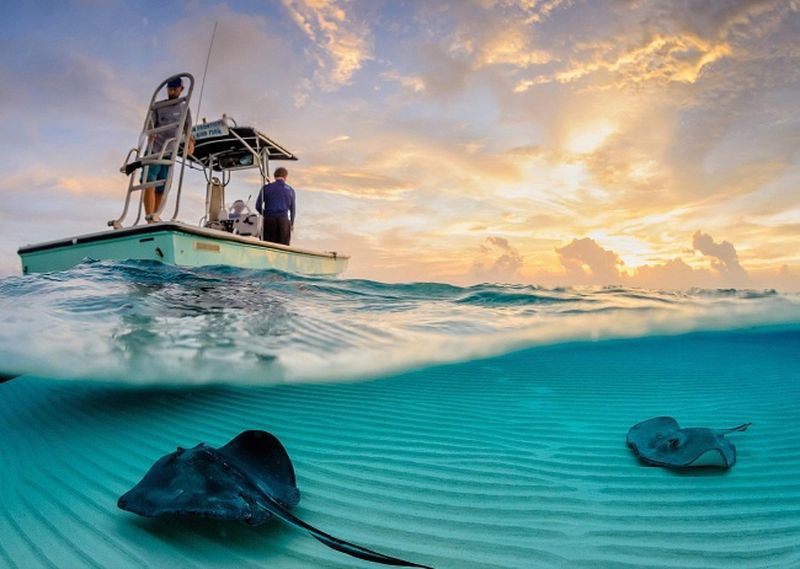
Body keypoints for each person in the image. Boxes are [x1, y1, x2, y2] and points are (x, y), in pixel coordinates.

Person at [143, 76, 195, 220]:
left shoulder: (184, 107)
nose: (171, 91)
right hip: (154, 150)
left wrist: (190, 141)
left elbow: (188, 127)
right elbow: (150, 123)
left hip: (169, 152)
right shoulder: (158, 106)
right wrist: (150, 132)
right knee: (149, 183)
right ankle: (149, 218)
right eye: (169, 89)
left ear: (181, 89)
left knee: (162, 187)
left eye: (174, 88)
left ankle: (156, 215)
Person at [255, 167, 296, 245]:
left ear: (274, 176)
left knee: (267, 246)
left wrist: (265, 214)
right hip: (283, 221)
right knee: (283, 248)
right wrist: (292, 223)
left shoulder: (266, 188)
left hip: (269, 220)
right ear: (285, 176)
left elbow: (258, 206)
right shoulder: (291, 190)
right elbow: (293, 209)